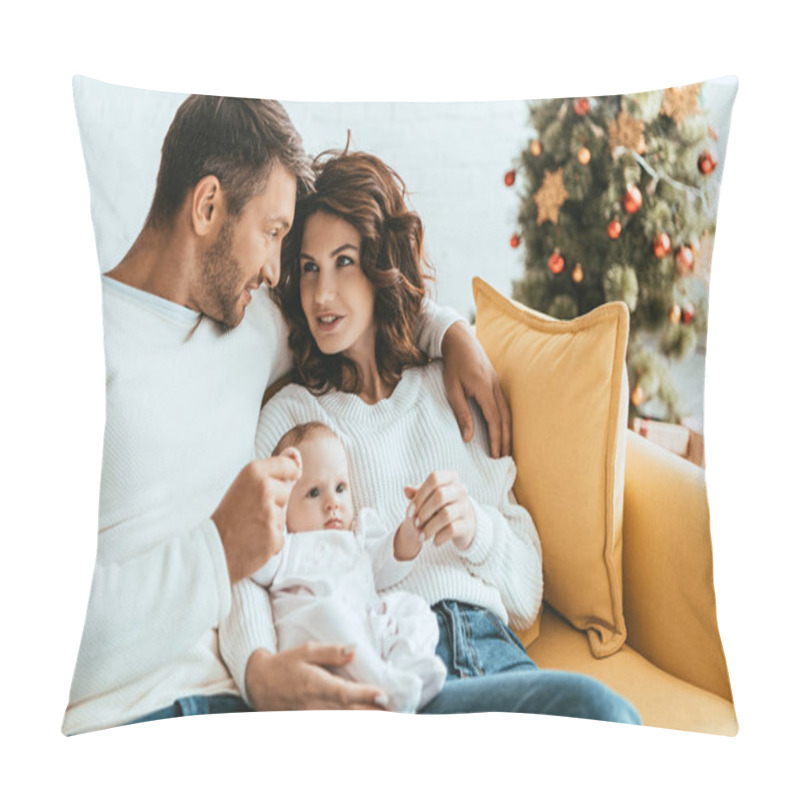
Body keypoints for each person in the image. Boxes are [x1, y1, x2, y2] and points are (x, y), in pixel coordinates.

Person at [63, 96, 510, 734]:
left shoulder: (250, 323)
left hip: (266, 713)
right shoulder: (77, 342)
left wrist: (451, 333)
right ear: (209, 206)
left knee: (591, 714)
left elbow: (359, 304)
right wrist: (218, 552)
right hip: (135, 721)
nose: (277, 270)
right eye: (273, 234)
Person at [221, 150, 641, 724]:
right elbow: (246, 560)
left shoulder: (452, 387)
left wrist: (475, 528)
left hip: (495, 652)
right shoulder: (293, 417)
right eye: (311, 268)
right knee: (598, 710)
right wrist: (257, 668)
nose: (321, 295)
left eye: (344, 262)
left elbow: (525, 595)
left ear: (380, 266)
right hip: (396, 665)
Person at [250, 422, 446, 712]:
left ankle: (406, 669)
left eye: (340, 488)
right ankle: (384, 686)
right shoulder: (288, 545)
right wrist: (268, 520)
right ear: (286, 506)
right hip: (317, 639)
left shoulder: (359, 537)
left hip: (367, 630)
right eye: (314, 493)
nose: (332, 503)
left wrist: (411, 530)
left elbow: (389, 563)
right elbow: (256, 566)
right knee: (328, 613)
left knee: (413, 608)